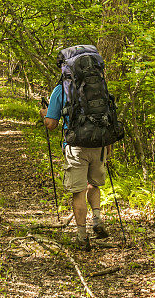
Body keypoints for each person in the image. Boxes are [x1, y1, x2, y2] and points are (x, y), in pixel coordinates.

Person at [40, 83, 110, 251]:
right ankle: (97, 218)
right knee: (94, 184)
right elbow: (109, 117)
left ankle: (82, 236)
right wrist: (108, 147)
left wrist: (44, 114)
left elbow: (51, 124)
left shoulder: (61, 88)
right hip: (99, 144)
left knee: (79, 191)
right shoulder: (99, 85)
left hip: (76, 145)